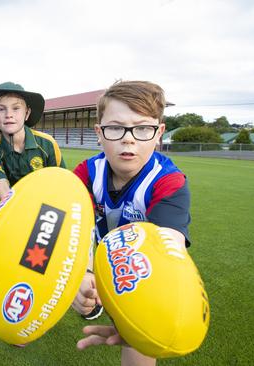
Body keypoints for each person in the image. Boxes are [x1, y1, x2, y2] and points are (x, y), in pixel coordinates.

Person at [71, 80, 191, 366]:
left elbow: (167, 252)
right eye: (115, 128)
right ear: (99, 133)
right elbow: (74, 227)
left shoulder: (169, 182)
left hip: (142, 268)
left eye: (142, 128)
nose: (129, 138)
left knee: (141, 337)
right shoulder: (86, 173)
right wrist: (83, 274)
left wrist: (144, 311)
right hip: (99, 252)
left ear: (159, 132)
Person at [0, 82, 65, 200]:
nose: (9, 115)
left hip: (49, 206)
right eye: (1, 109)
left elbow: (63, 183)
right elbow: (4, 193)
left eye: (16, 108)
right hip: (18, 206)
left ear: (27, 113)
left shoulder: (48, 143)